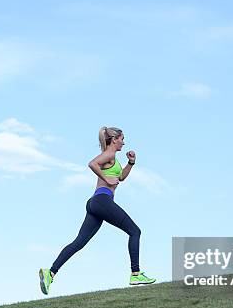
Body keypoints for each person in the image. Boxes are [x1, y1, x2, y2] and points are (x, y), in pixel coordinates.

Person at [39, 126, 156, 295]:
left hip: (96, 203)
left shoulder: (113, 159)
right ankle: (136, 274)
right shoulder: (108, 154)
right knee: (135, 231)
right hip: (102, 201)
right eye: (122, 138)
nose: (124, 142)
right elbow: (92, 164)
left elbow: (121, 177)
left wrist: (131, 163)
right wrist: (105, 177)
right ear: (114, 139)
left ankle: (50, 273)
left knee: (79, 242)